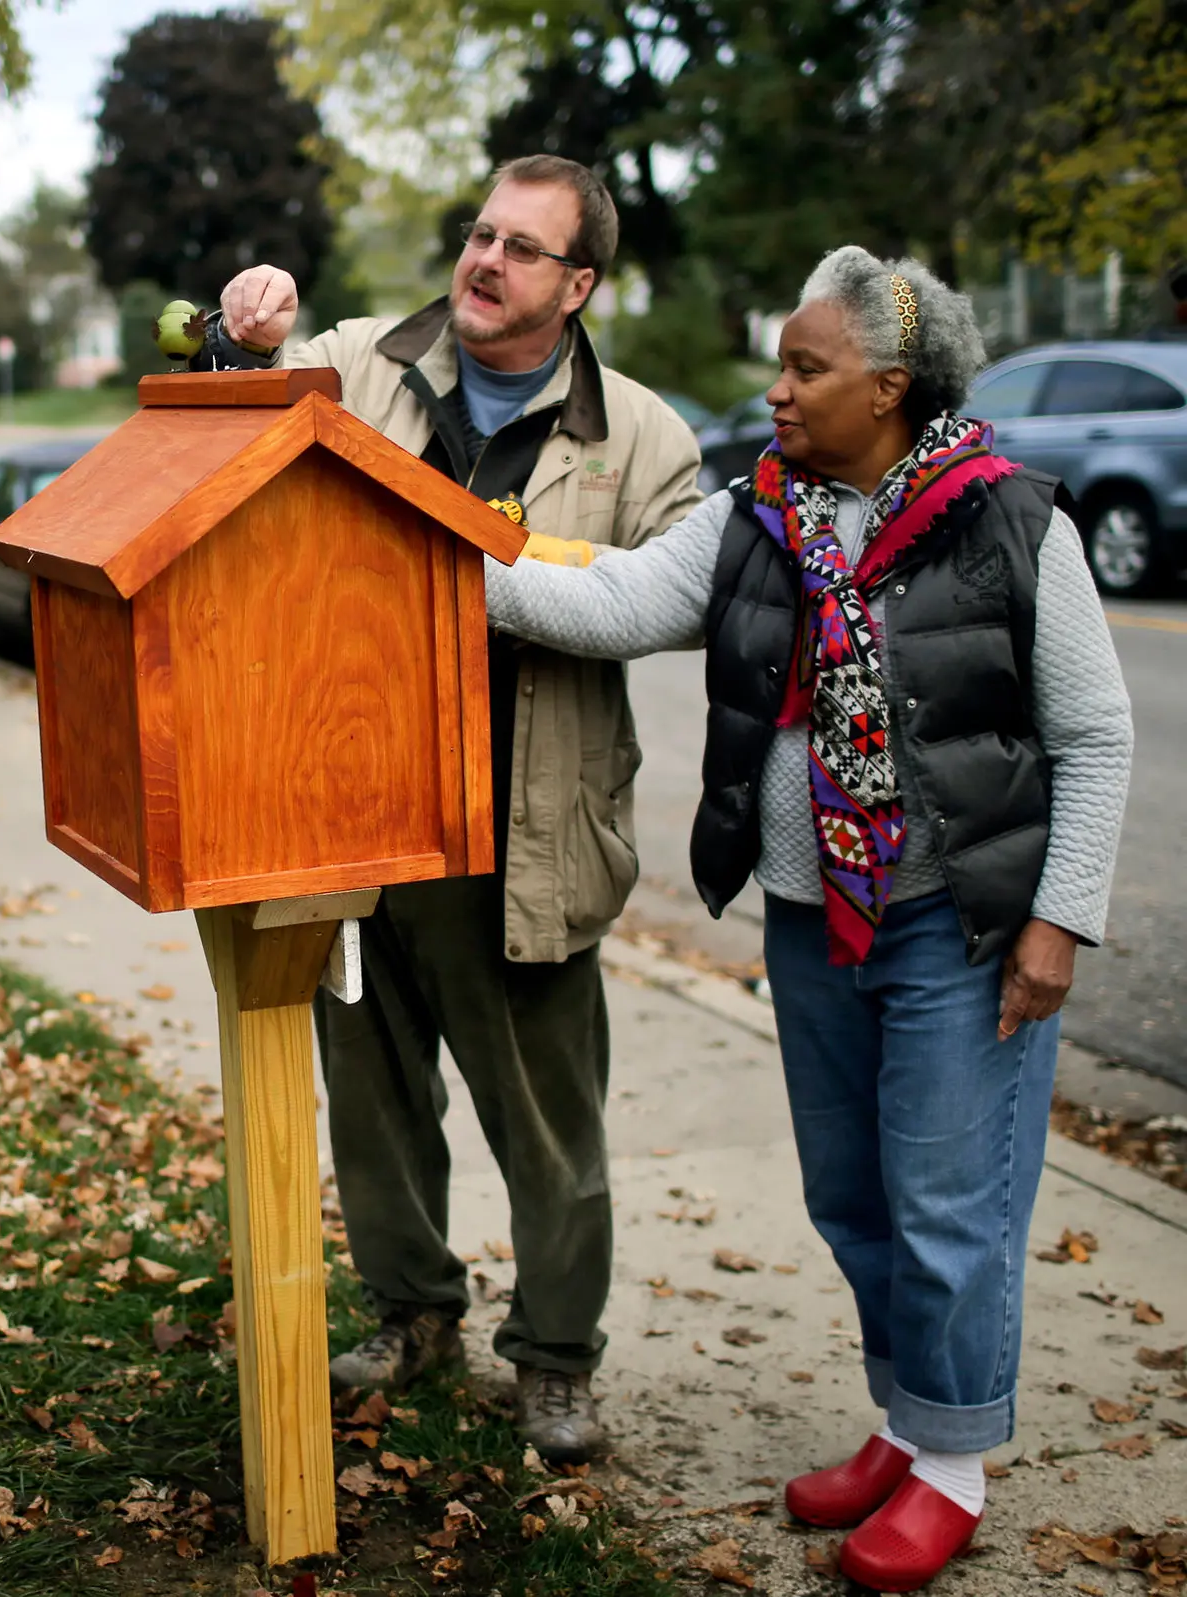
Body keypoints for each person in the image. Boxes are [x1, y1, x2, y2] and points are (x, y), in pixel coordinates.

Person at [483, 245, 1133, 1592]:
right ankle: (909, 1426)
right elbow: (612, 600)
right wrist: (444, 563)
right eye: (782, 365)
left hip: (961, 923)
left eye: (804, 368)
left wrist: (1058, 921)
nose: (774, 391)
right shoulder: (759, 517)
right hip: (811, 919)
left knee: (951, 1207)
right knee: (855, 1201)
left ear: (889, 388)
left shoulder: (1013, 520)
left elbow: (1096, 735)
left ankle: (953, 1467)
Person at [202, 155, 703, 1462]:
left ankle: (554, 1360)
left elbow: (675, 598)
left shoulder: (643, 435)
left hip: (525, 831)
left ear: (578, 282)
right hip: (354, 813)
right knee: (371, 1098)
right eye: (478, 233)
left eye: (522, 248)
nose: (485, 260)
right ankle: (414, 1310)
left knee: (550, 1129)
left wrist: (476, 569)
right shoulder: (358, 361)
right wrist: (238, 337)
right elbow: (227, 432)